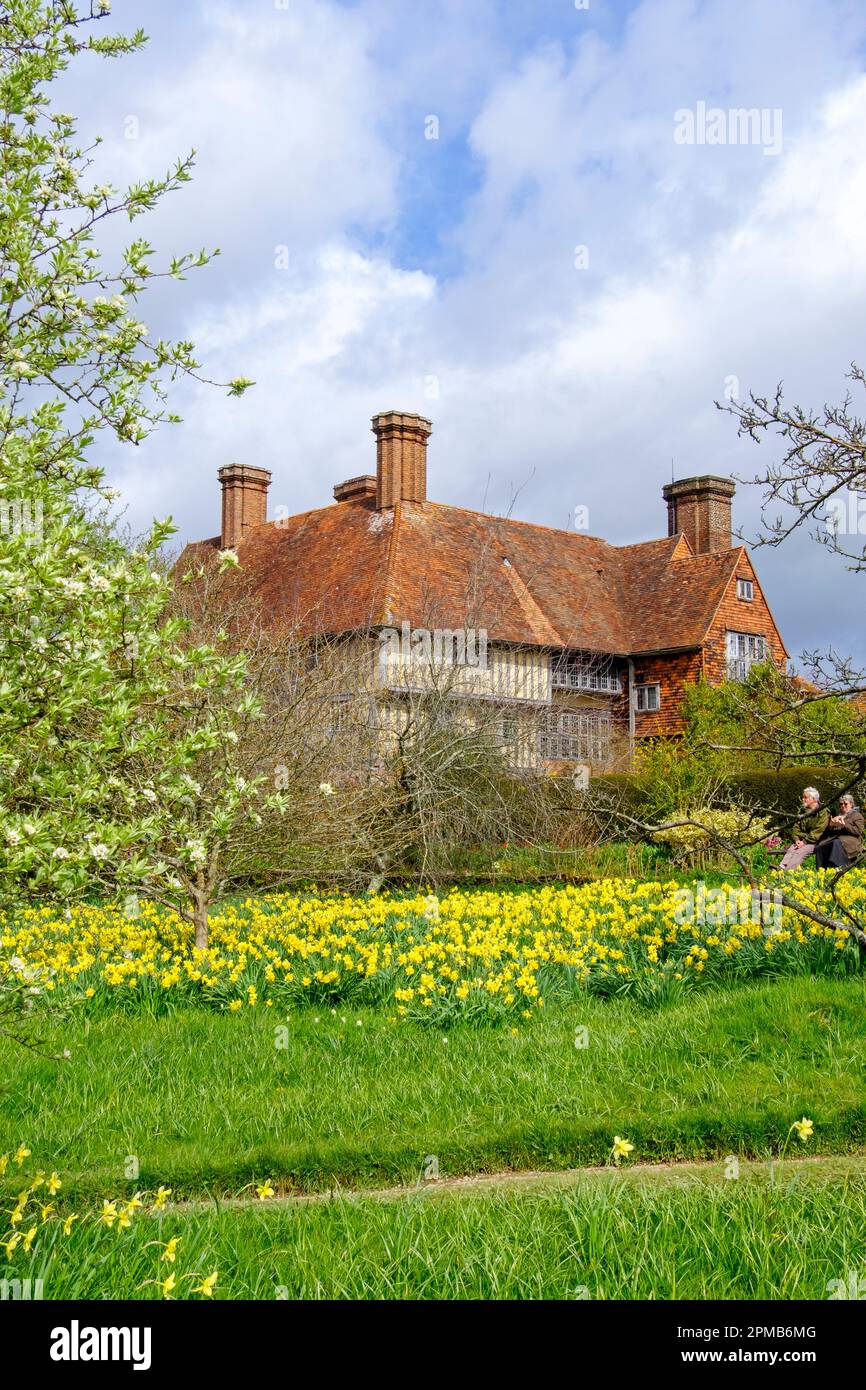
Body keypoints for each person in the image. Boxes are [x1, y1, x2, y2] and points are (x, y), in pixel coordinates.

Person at [779, 787, 830, 870]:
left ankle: (788, 871)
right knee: (792, 848)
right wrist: (797, 840)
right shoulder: (803, 812)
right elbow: (795, 829)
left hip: (816, 842)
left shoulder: (823, 812)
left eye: (805, 797)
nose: (803, 799)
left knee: (800, 852)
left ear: (814, 799)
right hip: (802, 841)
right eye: (803, 797)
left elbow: (818, 831)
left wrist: (804, 841)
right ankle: (781, 868)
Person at [814, 794, 864, 869]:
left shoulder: (857, 815)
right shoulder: (837, 816)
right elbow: (828, 833)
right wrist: (831, 825)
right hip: (836, 839)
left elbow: (858, 831)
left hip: (851, 841)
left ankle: (838, 867)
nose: (843, 805)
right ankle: (821, 870)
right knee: (820, 846)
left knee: (836, 843)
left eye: (846, 804)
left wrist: (844, 824)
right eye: (841, 804)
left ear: (851, 804)